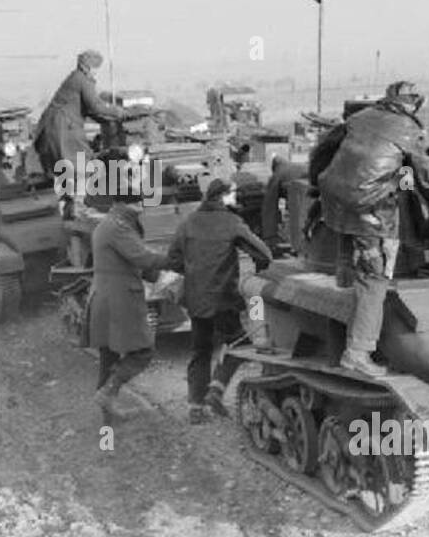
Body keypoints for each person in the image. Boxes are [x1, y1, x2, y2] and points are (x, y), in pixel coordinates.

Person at [317, 80, 429, 377]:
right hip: (370, 210)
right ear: (413, 104)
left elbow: (323, 150)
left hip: (337, 201)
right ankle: (358, 353)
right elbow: (425, 176)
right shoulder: (408, 129)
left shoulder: (358, 118)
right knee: (374, 280)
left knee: (352, 265)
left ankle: (343, 303)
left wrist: (321, 184)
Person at [167, 178, 272, 424]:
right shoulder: (231, 222)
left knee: (200, 351)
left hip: (196, 300)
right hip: (224, 299)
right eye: (233, 193)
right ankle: (216, 388)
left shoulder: (188, 222)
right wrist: (259, 270)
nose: (236, 198)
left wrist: (194, 271)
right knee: (240, 345)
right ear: (223, 196)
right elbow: (263, 253)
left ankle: (195, 407)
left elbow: (173, 260)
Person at [87, 164, 171, 423]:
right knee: (143, 351)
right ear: (127, 204)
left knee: (108, 357)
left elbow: (129, 260)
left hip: (105, 296)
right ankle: (108, 394)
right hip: (120, 298)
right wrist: (173, 261)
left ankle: (107, 416)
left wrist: (157, 277)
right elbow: (141, 256)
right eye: (138, 204)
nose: (141, 208)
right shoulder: (118, 226)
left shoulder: (110, 224)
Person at [32, 51, 129, 199]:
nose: (97, 72)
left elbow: (88, 109)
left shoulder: (76, 78)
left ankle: (72, 202)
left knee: (72, 168)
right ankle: (79, 203)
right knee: (81, 165)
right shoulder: (82, 80)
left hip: (57, 126)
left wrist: (107, 119)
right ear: (89, 67)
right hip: (64, 128)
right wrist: (118, 112)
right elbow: (95, 105)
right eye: (96, 68)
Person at [261, 155, 308, 249]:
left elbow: (269, 206)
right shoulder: (296, 166)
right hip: (313, 187)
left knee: (297, 218)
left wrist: (269, 235)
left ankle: (298, 246)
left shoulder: (278, 173)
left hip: (298, 190)